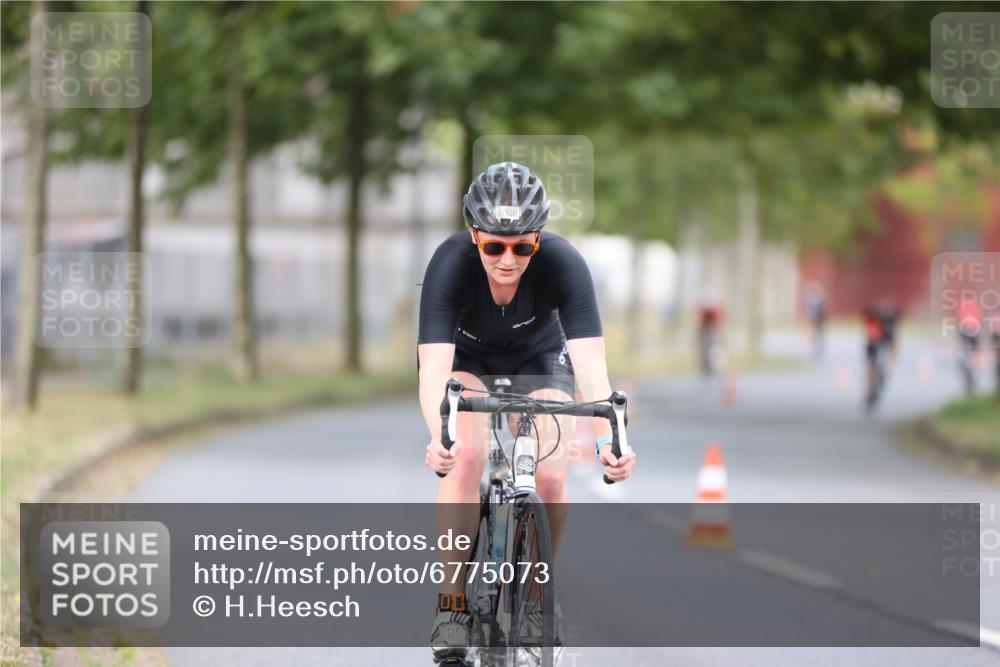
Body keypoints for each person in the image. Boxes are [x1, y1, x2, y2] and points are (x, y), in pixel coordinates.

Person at [417, 162, 636, 664]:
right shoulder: (449, 263)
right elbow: (434, 370)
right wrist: (441, 436)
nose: (508, 259)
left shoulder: (565, 263)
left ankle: (537, 595)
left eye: (523, 246)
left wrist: (610, 443)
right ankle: (452, 604)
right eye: (494, 246)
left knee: (551, 479)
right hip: (465, 359)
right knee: (467, 456)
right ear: (475, 236)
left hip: (540, 357)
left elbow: (592, 368)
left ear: (539, 239)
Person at [697, 290, 725, 377]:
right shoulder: (705, 310)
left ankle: (714, 367)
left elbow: (719, 322)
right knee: (705, 349)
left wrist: (717, 332)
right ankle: (706, 367)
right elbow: (701, 323)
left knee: (714, 349)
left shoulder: (716, 309)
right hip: (706, 331)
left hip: (713, 331)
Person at [804, 282, 827, 359]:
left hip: (818, 320)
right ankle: (815, 347)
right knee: (814, 334)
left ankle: (819, 347)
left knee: (818, 334)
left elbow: (822, 311)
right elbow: (809, 311)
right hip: (815, 320)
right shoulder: (812, 300)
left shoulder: (818, 300)